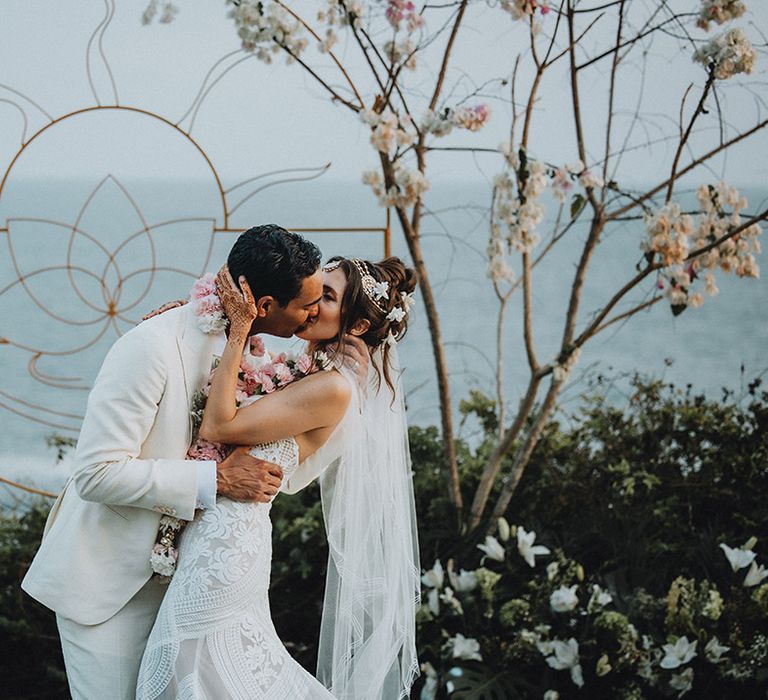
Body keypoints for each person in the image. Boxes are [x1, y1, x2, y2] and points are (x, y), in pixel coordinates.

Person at [21, 225, 362, 700]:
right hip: (110, 587)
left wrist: (339, 376)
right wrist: (215, 479)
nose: (311, 316)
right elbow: (96, 474)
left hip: (187, 585)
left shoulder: (256, 352)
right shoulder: (153, 345)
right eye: (307, 305)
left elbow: (282, 469)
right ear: (264, 306)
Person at [136, 256, 421, 699]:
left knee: (184, 672)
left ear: (359, 326)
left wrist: (236, 330)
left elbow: (218, 427)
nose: (309, 302)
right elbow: (239, 392)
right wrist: (186, 327)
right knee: (199, 675)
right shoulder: (308, 372)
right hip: (212, 535)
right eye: (315, 289)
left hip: (227, 545)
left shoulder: (334, 387)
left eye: (327, 297)